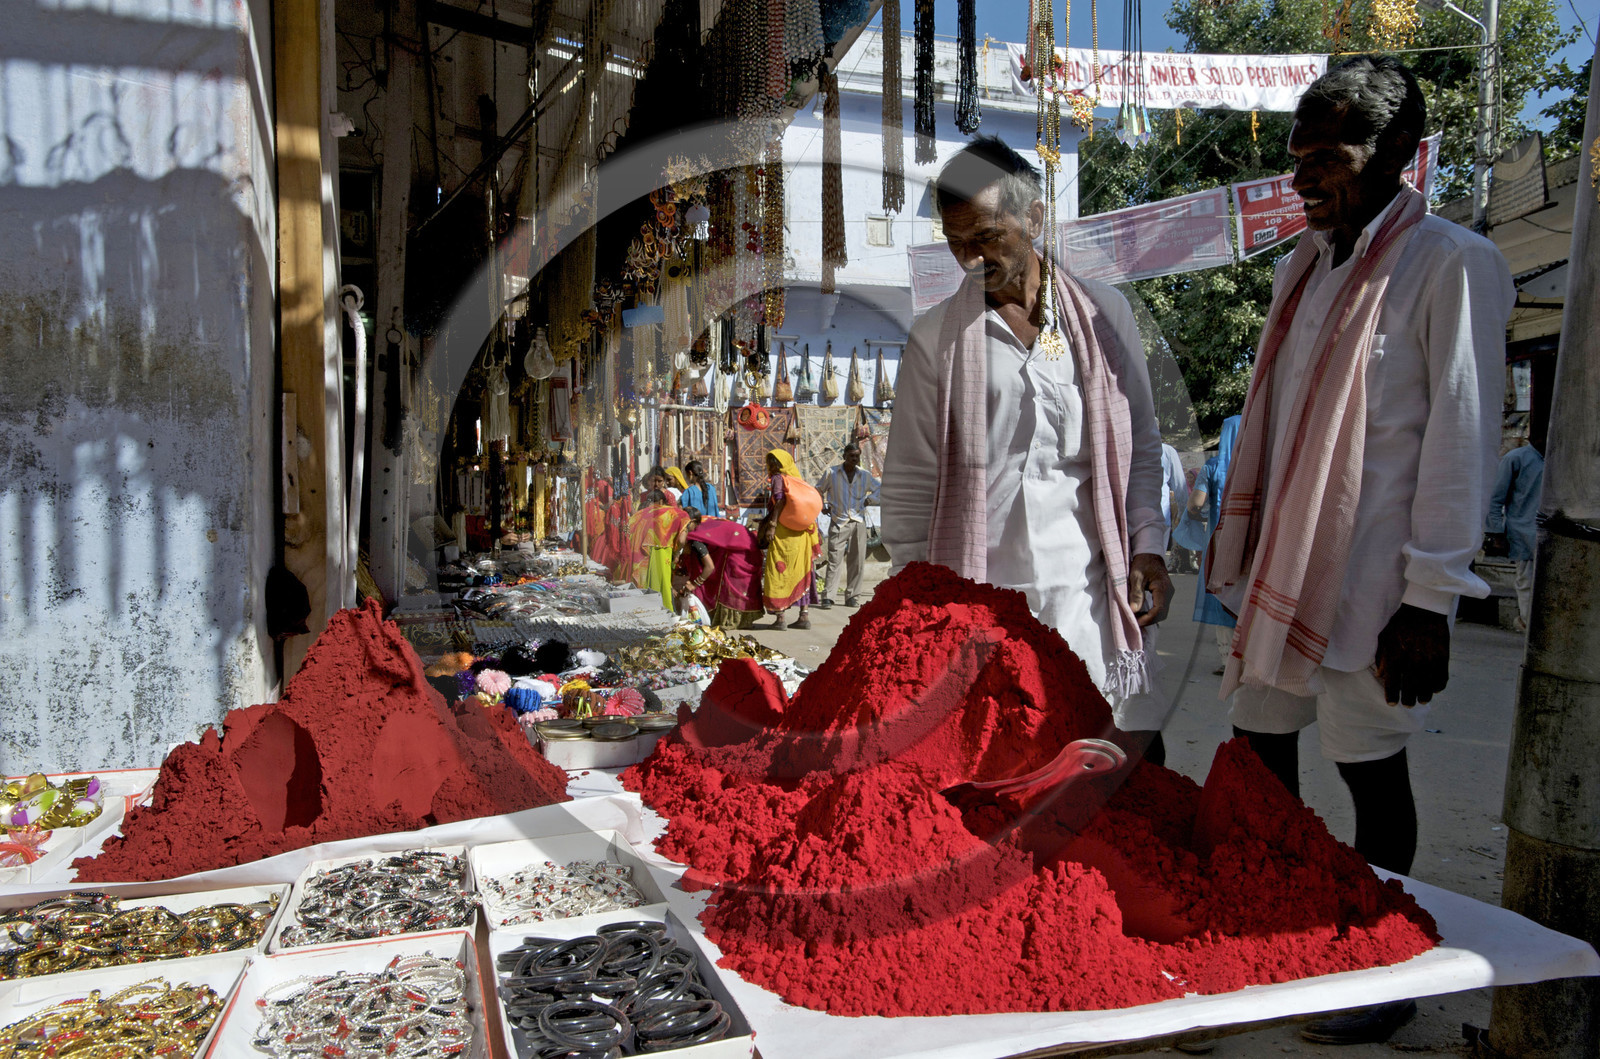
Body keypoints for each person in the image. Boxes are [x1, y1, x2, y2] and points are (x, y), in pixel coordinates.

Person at [1204, 56, 1512, 1044]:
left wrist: (1431, 599)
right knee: (1260, 753)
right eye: (1297, 163)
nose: (1302, 183)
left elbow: (1461, 439)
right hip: (1285, 579)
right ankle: (1291, 937)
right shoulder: (1305, 267)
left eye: (1325, 161)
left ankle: (1384, 976)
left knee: (1371, 777)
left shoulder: (1449, 264)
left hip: (1375, 587)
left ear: (1398, 156)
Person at [880, 135, 1173, 757]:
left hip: (1090, 595)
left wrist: (1149, 544)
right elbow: (908, 485)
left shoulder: (1103, 315)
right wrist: (921, 602)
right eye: (955, 243)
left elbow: (1140, 444)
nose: (968, 259)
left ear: (1035, 218)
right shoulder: (936, 340)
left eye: (985, 237)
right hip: (984, 601)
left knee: (1110, 770)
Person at [1185, 416, 1241, 675]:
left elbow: (1195, 504)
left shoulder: (1213, 468)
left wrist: (1197, 514)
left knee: (1221, 593)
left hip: (1220, 541)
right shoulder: (1261, 467)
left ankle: (1228, 660)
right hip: (1255, 542)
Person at [757, 449, 822, 631]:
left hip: (783, 532)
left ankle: (780, 618)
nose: (771, 466)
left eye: (773, 462)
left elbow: (780, 501)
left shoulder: (779, 478)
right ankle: (804, 616)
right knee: (802, 571)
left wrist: (771, 524)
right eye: (770, 462)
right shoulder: (798, 479)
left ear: (781, 464)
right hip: (801, 533)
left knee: (779, 571)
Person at [813, 443, 880, 609]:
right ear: (844, 456)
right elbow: (818, 490)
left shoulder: (864, 475)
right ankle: (828, 596)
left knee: (857, 561)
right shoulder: (832, 473)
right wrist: (822, 505)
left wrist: (870, 500)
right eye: (851, 456)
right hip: (838, 521)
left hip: (858, 522)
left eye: (857, 456)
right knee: (834, 560)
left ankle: (852, 596)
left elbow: (880, 489)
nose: (855, 459)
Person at [1485, 439, 1543, 630]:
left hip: (1550, 534)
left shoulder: (1559, 459)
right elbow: (1495, 499)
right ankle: (1530, 628)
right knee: (1527, 582)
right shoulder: (1516, 459)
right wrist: (1496, 532)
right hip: (1524, 532)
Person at [671, 512, 765, 628]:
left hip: (740, 549)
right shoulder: (699, 531)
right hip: (740, 543)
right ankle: (738, 621)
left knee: (731, 584)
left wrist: (694, 584)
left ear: (693, 522)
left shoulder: (695, 541)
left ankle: (731, 621)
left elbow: (709, 567)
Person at [623, 494, 691, 610]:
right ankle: (665, 615)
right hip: (662, 551)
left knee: (644, 586)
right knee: (662, 586)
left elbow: (626, 531)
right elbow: (681, 539)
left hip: (640, 553)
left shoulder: (641, 514)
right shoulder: (678, 514)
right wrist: (677, 552)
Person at [1159, 442, 1188, 555]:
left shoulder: (1126, 446)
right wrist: (1183, 514)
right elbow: (1179, 486)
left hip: (1131, 516)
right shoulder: (1167, 451)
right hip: (1160, 515)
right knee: (1156, 560)